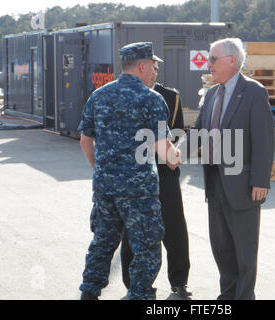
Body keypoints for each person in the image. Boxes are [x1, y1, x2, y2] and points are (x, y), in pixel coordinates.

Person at [78, 42, 180, 300]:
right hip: (139, 192)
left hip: (105, 188)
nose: (155, 72)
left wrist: (100, 169)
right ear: (142, 66)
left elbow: (85, 140)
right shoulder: (151, 99)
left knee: (103, 242)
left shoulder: (99, 95)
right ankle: (140, 295)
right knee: (146, 246)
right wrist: (174, 156)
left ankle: (89, 292)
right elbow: (162, 148)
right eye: (153, 67)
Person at [180, 38, 275, 300]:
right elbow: (198, 132)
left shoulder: (254, 92)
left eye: (212, 59)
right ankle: (228, 296)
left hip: (243, 185)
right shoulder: (211, 93)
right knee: (221, 248)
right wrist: (177, 152)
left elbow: (264, 140)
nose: (208, 64)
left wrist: (260, 181)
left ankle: (244, 297)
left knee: (244, 250)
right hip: (214, 184)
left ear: (231, 61)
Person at [120, 79, 192, 298]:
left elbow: (177, 133)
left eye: (155, 68)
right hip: (135, 176)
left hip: (164, 174)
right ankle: (133, 282)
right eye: (150, 66)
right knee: (132, 230)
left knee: (174, 228)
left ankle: (179, 281)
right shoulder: (121, 95)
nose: (153, 72)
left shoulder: (170, 96)